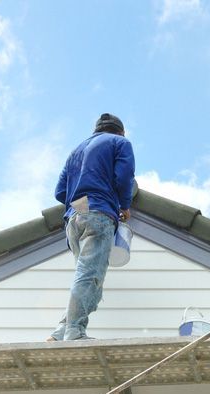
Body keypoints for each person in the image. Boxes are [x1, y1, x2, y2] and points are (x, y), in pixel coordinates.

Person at [48, 113, 136, 341]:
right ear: (120, 131)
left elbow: (59, 192)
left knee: (87, 278)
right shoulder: (120, 143)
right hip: (98, 213)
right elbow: (124, 176)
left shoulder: (76, 152)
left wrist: (81, 196)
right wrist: (124, 205)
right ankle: (74, 332)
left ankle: (61, 331)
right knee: (89, 276)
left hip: (74, 218)